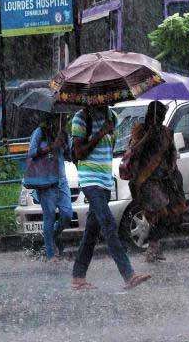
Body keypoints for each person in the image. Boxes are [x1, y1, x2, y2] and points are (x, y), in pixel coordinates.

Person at [70, 106, 151, 290]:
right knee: (108, 224)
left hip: (106, 180)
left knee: (91, 230)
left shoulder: (112, 116)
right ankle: (128, 275)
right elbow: (79, 153)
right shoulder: (80, 118)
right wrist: (100, 133)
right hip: (90, 180)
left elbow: (110, 148)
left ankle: (78, 277)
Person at [126, 101, 186, 262]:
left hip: (165, 179)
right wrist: (148, 136)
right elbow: (133, 152)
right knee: (161, 211)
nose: (161, 119)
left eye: (163, 116)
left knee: (175, 214)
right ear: (150, 115)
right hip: (147, 180)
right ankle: (152, 247)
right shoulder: (140, 130)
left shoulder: (167, 133)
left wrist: (172, 168)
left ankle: (154, 245)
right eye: (158, 115)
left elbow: (172, 153)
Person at [28, 115, 73, 263]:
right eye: (60, 117)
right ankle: (50, 254)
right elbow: (32, 152)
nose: (63, 119)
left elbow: (70, 155)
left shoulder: (63, 133)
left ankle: (51, 236)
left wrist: (64, 145)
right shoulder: (39, 132)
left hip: (61, 180)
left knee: (67, 214)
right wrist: (51, 147)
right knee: (49, 216)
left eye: (64, 117)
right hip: (46, 182)